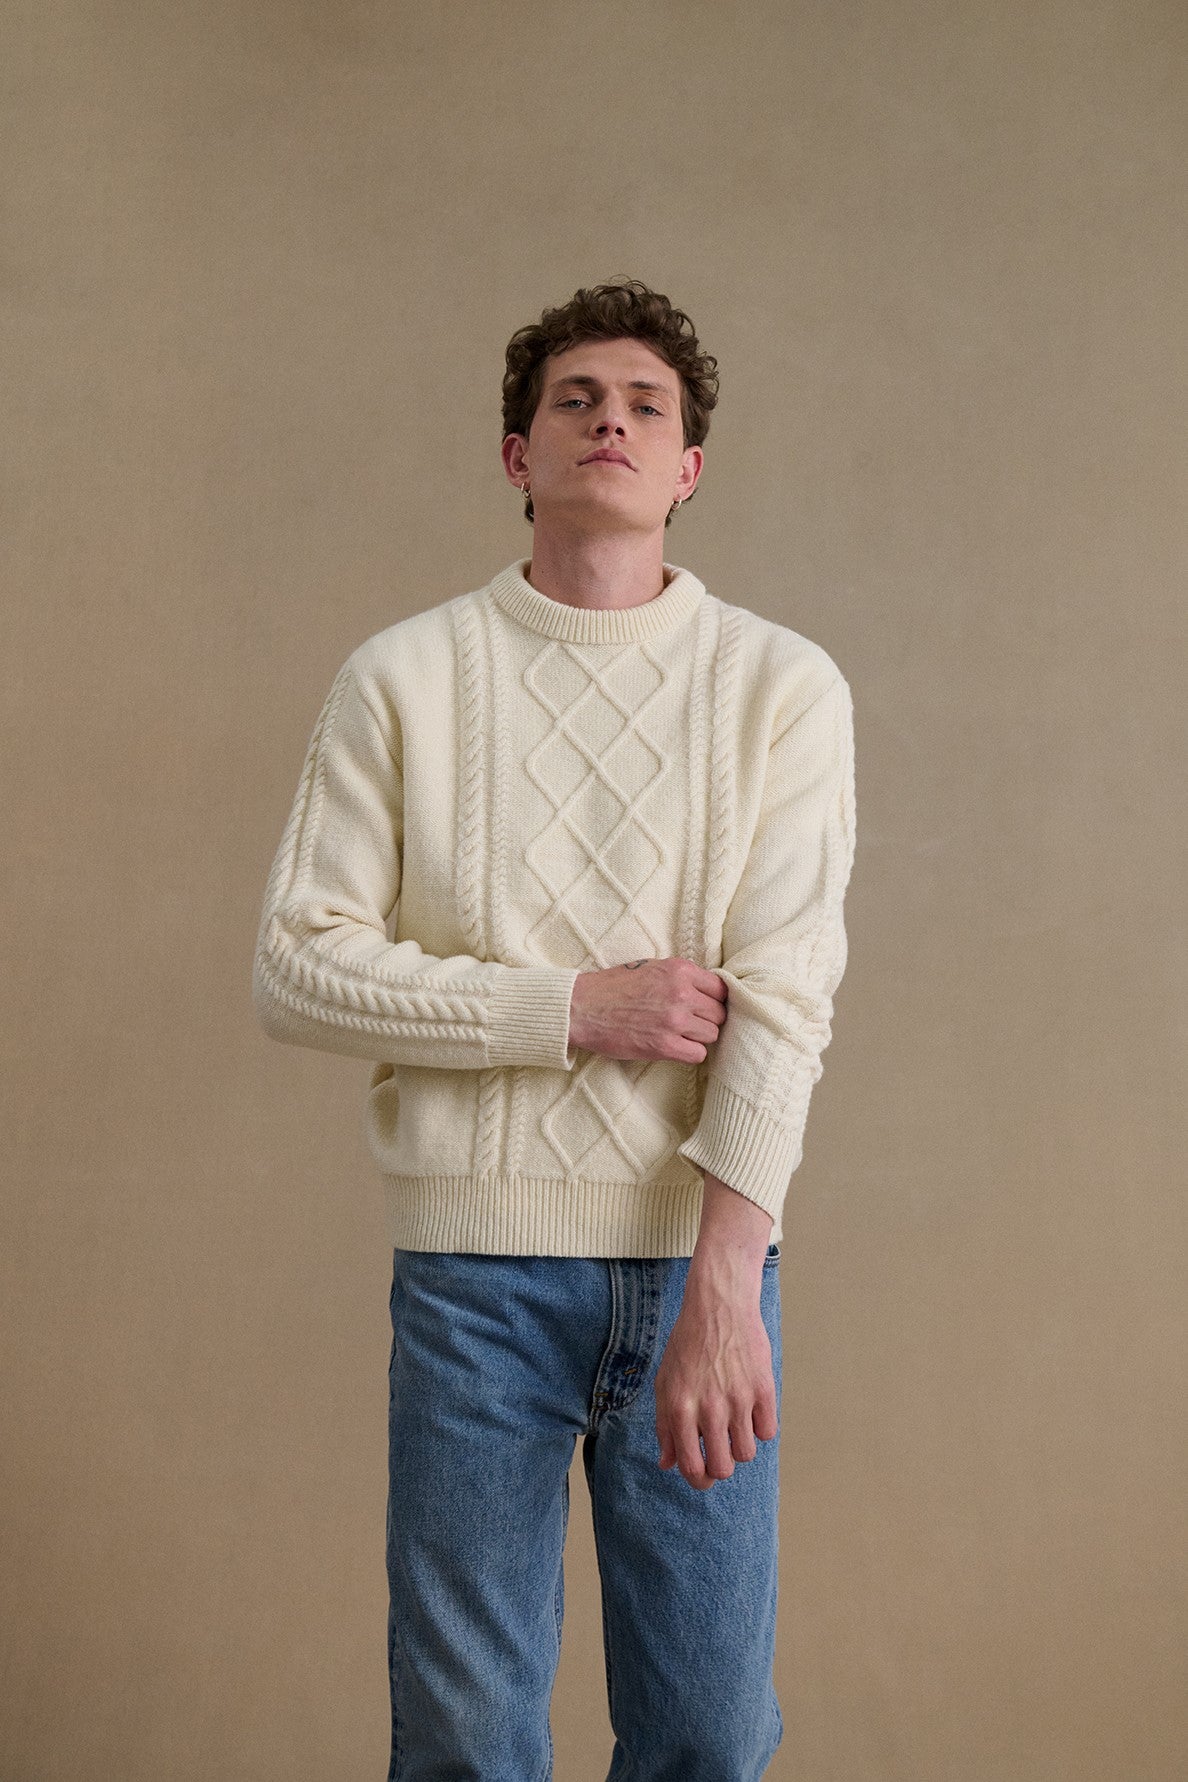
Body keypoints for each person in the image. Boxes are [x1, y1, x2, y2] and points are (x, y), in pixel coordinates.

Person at [252, 276, 857, 1781]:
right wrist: (571, 1008)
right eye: (576, 399)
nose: (612, 422)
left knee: (708, 1735)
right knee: (466, 1738)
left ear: (688, 468)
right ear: (518, 453)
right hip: (476, 1278)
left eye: (647, 405)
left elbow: (785, 998)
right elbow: (297, 967)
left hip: (700, 1267)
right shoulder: (403, 676)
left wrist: (728, 1282)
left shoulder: (780, 687)